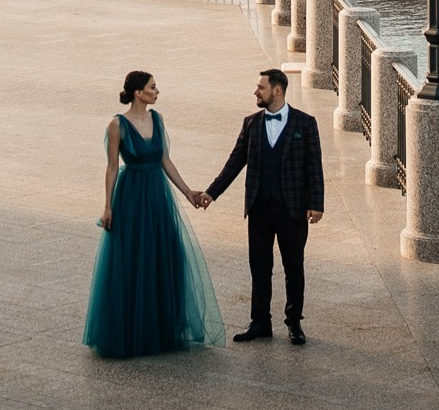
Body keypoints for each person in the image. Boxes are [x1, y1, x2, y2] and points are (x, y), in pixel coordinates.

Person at [83, 71, 226, 358]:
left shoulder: (157, 119)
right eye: (152, 87)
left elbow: (164, 160)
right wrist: (107, 205)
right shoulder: (117, 125)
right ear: (138, 92)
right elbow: (112, 167)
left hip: (158, 197)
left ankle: (162, 327)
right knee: (132, 259)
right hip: (132, 196)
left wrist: (187, 193)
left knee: (166, 254)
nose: (157, 91)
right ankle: (131, 330)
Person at [197, 67, 323, 344]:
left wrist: (316, 204)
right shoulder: (251, 124)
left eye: (261, 88)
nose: (256, 92)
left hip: (293, 209)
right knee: (259, 267)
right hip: (259, 209)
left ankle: (294, 323)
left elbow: (314, 166)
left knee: (294, 268)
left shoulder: (305, 123)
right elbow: (234, 162)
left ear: (277, 91)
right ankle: (260, 322)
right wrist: (211, 193)